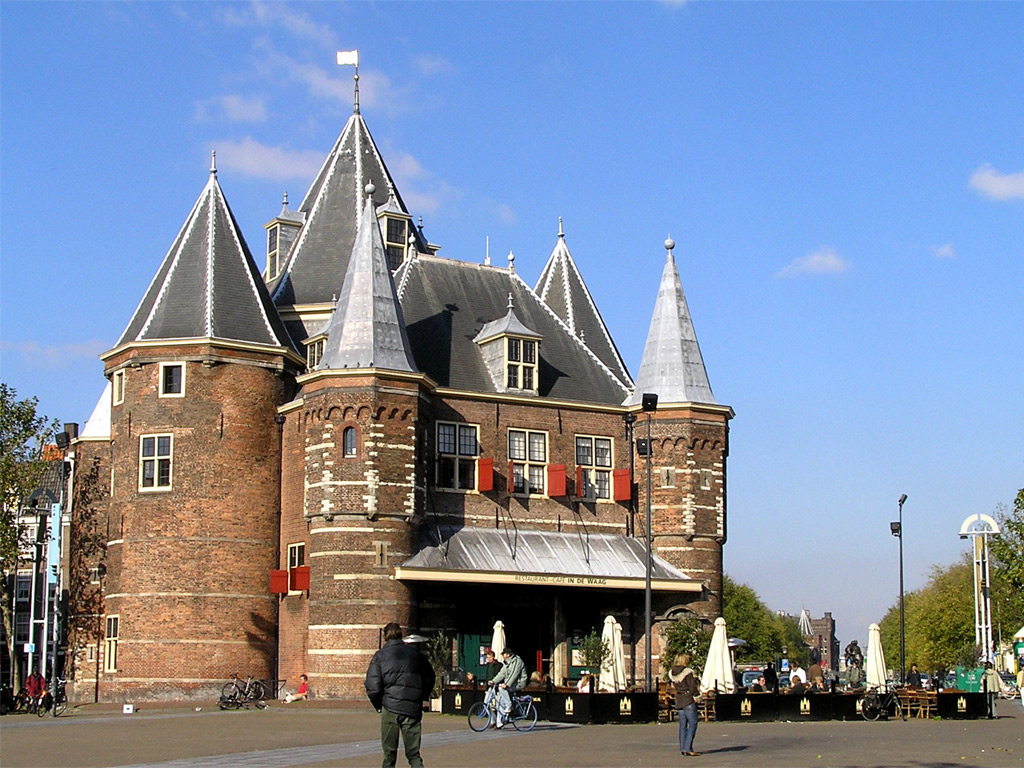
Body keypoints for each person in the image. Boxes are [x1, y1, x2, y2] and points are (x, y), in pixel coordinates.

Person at [365, 622, 436, 768]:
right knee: (414, 755)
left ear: (385, 637)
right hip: (412, 708)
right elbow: (430, 676)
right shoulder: (415, 654)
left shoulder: (380, 656)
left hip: (390, 708)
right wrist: (422, 696)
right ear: (401, 635)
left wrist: (379, 705)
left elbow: (373, 687)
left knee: (389, 755)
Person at [669, 654, 701, 757]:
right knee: (693, 723)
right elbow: (692, 687)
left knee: (682, 725)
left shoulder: (672, 672)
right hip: (688, 699)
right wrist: (697, 696)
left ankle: (683, 747)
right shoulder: (687, 672)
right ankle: (688, 747)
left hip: (679, 699)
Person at [489, 647, 527, 728]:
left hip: (519, 682)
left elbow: (514, 674)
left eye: (503, 654)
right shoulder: (506, 663)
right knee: (501, 701)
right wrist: (493, 681)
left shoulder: (517, 661)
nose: (502, 656)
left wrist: (506, 684)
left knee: (502, 688)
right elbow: (501, 673)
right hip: (512, 683)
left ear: (508, 655)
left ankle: (509, 705)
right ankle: (502, 720)